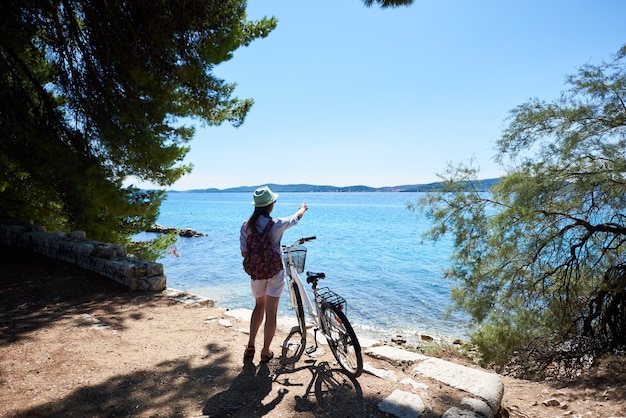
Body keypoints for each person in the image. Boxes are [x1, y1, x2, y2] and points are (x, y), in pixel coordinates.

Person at [240, 186, 308, 362]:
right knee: (272, 313)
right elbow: (295, 218)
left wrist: (258, 261)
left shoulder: (246, 226)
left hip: (256, 274)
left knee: (258, 307)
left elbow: (244, 254)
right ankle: (265, 352)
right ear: (270, 205)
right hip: (275, 272)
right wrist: (303, 208)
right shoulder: (276, 224)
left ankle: (250, 346)